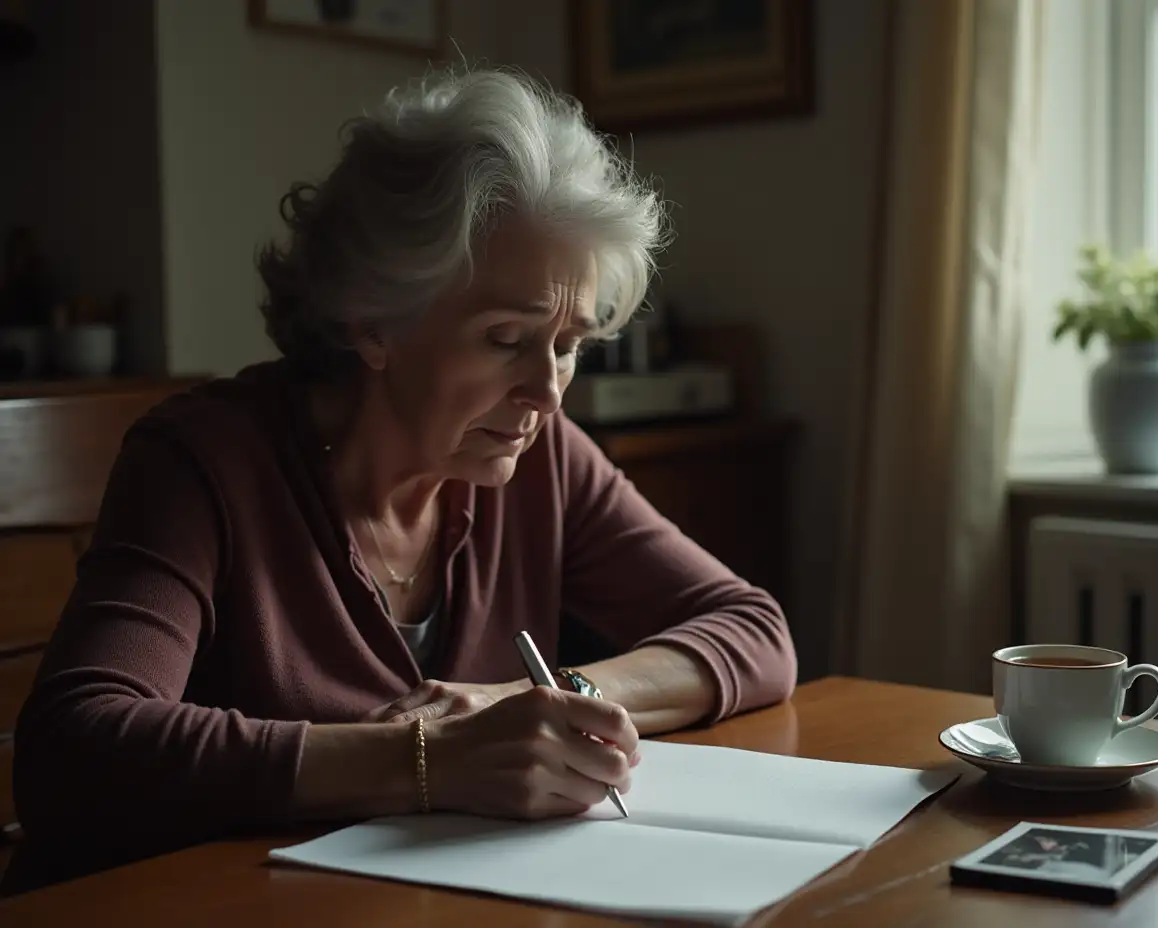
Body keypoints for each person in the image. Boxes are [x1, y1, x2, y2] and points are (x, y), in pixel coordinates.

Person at [3, 68, 796, 895]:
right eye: (505, 338)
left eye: (568, 344)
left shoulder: (541, 456)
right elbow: (78, 749)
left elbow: (753, 629)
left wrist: (545, 699)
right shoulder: (204, 461)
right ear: (371, 318)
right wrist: (425, 762)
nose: (548, 390)